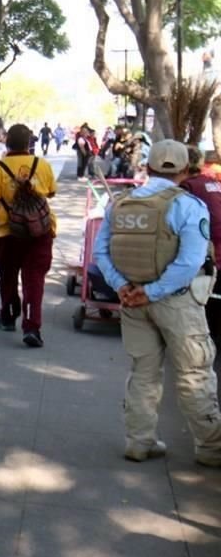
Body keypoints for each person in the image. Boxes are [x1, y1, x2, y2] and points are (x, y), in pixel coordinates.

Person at [93, 139, 221, 467]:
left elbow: (101, 253)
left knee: (143, 372)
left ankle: (139, 442)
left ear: (147, 167)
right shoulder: (189, 206)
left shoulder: (120, 204)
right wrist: (153, 291)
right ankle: (211, 448)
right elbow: (190, 262)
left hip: (132, 302)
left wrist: (124, 288)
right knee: (194, 372)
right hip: (178, 302)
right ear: (185, 170)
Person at [0, 124, 57, 348]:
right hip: (40, 232)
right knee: (34, 280)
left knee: (8, 276)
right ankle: (32, 326)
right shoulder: (42, 165)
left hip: (8, 232)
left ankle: (7, 314)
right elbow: (51, 193)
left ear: (7, 143)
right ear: (29, 143)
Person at [180, 146, 221, 340]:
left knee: (205, 298)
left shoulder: (187, 187)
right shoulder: (213, 182)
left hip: (210, 249)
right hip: (216, 246)